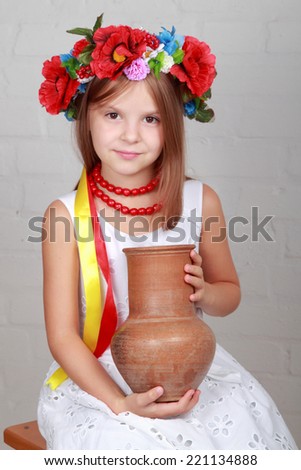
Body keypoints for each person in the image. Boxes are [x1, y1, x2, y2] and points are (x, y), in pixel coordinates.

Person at [37, 13, 297, 450]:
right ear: (87, 118)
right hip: (99, 377)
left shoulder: (200, 201)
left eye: (151, 120)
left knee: (236, 429)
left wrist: (204, 293)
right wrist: (121, 403)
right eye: (114, 114)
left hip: (187, 367)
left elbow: (229, 293)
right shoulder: (63, 215)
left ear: (171, 126)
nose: (130, 135)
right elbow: (63, 336)